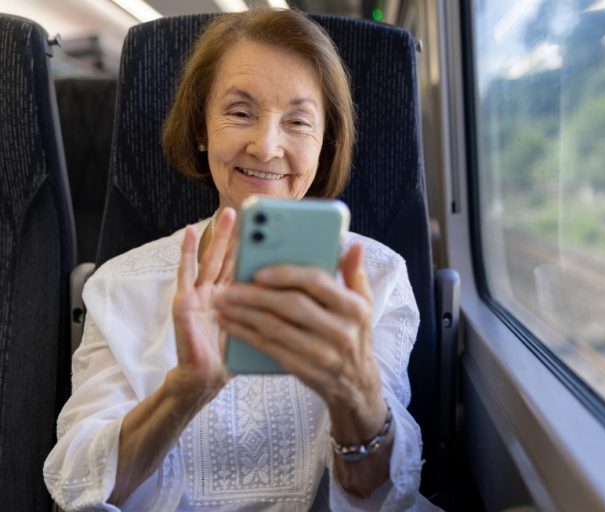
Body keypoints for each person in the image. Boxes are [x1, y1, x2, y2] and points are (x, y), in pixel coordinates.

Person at [44, 7, 433, 511]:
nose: (267, 147)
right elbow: (81, 486)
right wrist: (184, 390)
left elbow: (380, 493)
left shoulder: (377, 278)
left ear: (324, 144)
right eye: (241, 112)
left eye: (297, 121)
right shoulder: (119, 287)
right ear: (202, 126)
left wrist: (352, 393)